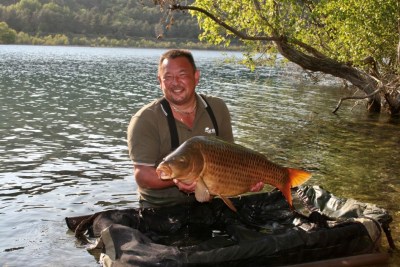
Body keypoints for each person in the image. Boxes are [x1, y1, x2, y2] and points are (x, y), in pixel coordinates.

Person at [127, 49, 262, 208]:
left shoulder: (217, 108)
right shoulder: (145, 119)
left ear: (196, 77)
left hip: (207, 204)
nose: (175, 82)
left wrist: (248, 180)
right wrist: (176, 182)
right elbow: (142, 176)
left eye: (182, 75)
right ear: (160, 81)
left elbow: (232, 159)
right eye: (168, 77)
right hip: (160, 207)